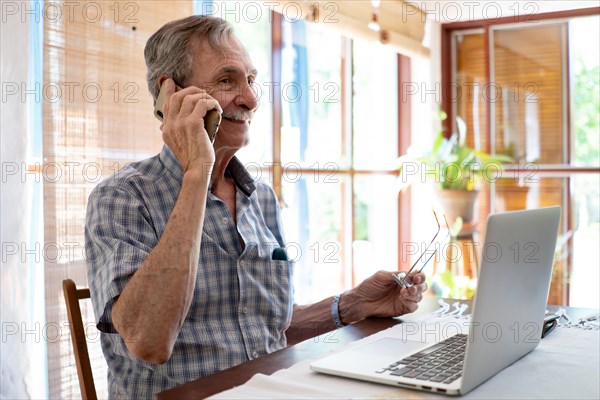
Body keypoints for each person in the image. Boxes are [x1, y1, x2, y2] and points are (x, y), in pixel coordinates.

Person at [85, 15, 427, 399]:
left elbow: (263, 331)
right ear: (171, 94)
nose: (251, 98)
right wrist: (198, 173)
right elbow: (149, 341)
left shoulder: (261, 198)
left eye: (251, 80)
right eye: (227, 80)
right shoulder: (123, 197)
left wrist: (353, 305)